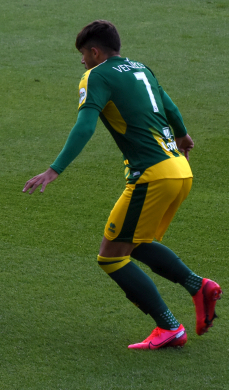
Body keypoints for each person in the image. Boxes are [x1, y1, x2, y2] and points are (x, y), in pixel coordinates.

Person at [23, 20, 221, 349]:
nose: (82, 61)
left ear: (95, 51)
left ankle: (170, 327)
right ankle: (198, 287)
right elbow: (168, 105)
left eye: (84, 54)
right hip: (179, 170)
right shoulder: (140, 68)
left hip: (151, 175)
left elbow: (85, 126)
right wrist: (183, 135)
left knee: (111, 257)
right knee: (136, 242)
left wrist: (54, 170)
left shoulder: (96, 76)